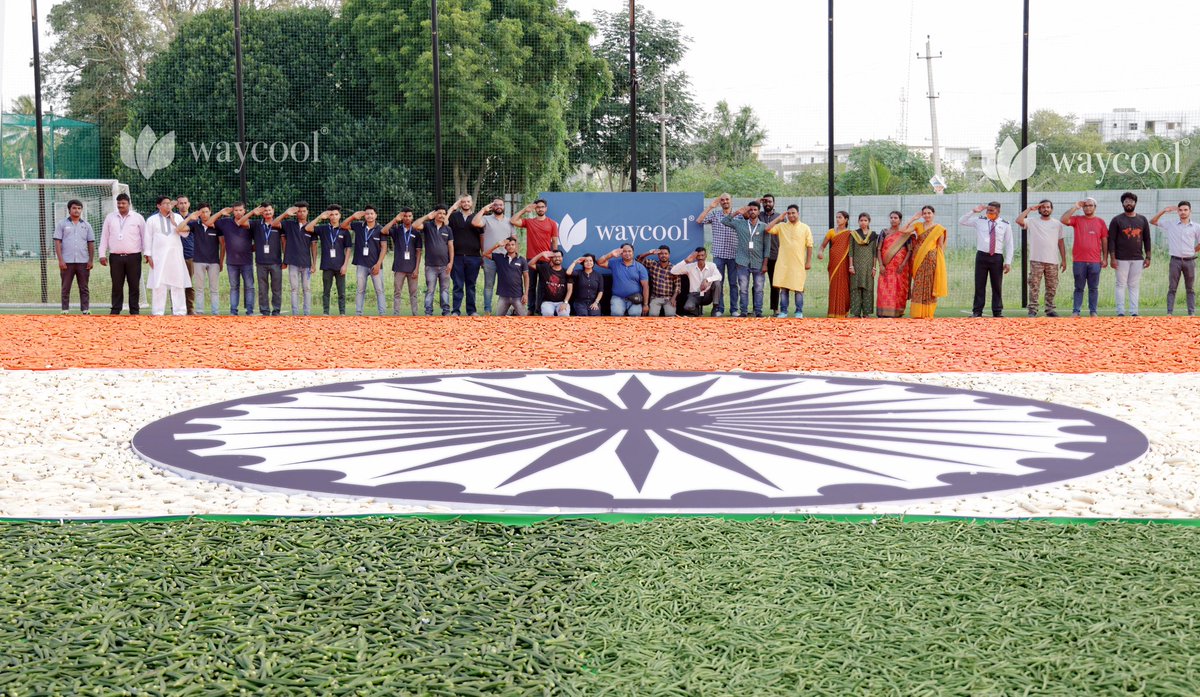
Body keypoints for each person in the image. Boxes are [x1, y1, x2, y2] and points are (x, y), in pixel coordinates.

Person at [961, 202, 1013, 317]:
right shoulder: (980, 220)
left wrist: (1008, 261)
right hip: (982, 256)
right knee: (979, 284)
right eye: (988, 211)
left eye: (992, 211)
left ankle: (997, 311)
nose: (989, 213)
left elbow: (1009, 244)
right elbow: (962, 221)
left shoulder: (1005, 224)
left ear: (998, 211)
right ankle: (977, 311)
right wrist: (973, 211)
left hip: (996, 257)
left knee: (997, 285)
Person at [97, 192, 147, 315]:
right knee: (117, 285)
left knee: (134, 285)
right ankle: (115, 309)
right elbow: (104, 236)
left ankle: (134, 310)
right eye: (119, 203)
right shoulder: (110, 217)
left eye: (123, 203)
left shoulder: (138, 217)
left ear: (129, 204)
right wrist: (102, 254)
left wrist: (147, 252)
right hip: (115, 257)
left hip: (133, 256)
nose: (121, 205)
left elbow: (145, 236)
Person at [1015, 200, 1067, 318]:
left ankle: (1050, 309)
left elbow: (1061, 242)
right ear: (1039, 209)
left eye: (1048, 207)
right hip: (1036, 260)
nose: (1045, 209)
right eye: (1043, 207)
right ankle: (1033, 309)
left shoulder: (1057, 224)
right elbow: (1018, 220)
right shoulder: (1032, 221)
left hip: (1052, 261)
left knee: (1052, 286)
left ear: (1051, 209)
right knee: (1034, 285)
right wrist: (1029, 209)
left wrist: (1064, 260)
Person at [721, 202, 772, 317]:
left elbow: (767, 247)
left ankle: (758, 312)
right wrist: (737, 212)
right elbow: (724, 221)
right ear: (747, 212)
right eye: (750, 210)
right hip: (742, 262)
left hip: (758, 263)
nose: (752, 212)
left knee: (759, 289)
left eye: (755, 209)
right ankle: (743, 312)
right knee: (743, 289)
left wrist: (765, 264)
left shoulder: (764, 226)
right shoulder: (740, 224)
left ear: (759, 211)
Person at [1059, 197, 1108, 317]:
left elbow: (1104, 241)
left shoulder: (1100, 222)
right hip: (1079, 261)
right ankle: (1076, 311)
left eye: (1090, 205)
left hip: (1095, 261)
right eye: (1085, 206)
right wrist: (1075, 207)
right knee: (1079, 287)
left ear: (1095, 207)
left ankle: (1093, 311)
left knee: (1093, 288)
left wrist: (1105, 258)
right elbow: (1063, 219)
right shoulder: (1077, 220)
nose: (1088, 207)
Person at [143, 195, 191, 316]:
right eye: (165, 203)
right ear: (158, 206)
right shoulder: (152, 220)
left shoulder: (178, 217)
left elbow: (185, 235)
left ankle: (180, 311)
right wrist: (148, 255)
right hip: (158, 257)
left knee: (178, 283)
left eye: (170, 203)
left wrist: (175, 222)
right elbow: (147, 238)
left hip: (175, 255)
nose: (168, 205)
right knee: (159, 283)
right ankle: (158, 311)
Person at [1150, 201, 1200, 316]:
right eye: (1180, 210)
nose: (1183, 212)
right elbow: (1153, 221)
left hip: (1190, 261)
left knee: (1190, 288)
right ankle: (1169, 313)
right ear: (1177, 211)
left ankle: (1191, 313)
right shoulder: (1171, 224)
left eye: (1185, 210)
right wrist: (1164, 211)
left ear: (1190, 211)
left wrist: (1193, 250)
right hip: (1175, 261)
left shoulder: (1196, 227)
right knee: (1172, 287)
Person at [763, 205, 813, 318]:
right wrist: (779, 218)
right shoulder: (781, 226)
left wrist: (808, 262)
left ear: (798, 213)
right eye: (789, 213)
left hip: (798, 263)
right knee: (784, 288)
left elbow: (810, 245)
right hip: (783, 264)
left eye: (793, 213)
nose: (791, 215)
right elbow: (767, 229)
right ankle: (784, 311)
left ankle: (799, 311)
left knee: (798, 289)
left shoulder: (805, 228)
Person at [510, 199, 559, 315]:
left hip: (546, 260)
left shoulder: (552, 223)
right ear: (535, 209)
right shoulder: (529, 222)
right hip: (531, 260)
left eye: (542, 207)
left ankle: (540, 309)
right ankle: (531, 309)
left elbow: (555, 242)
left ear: (546, 208)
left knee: (543, 286)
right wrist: (524, 210)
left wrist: (553, 258)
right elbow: (513, 220)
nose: (540, 209)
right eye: (538, 207)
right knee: (531, 286)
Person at [1108, 192, 1152, 317]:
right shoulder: (1117, 220)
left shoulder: (1142, 219)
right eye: (1126, 201)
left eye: (1131, 201)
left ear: (1135, 203)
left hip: (1138, 258)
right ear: (1122, 203)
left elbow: (1147, 239)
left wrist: (1148, 257)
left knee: (1134, 285)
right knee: (1121, 284)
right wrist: (1112, 258)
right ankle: (1120, 311)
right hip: (1121, 258)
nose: (1129, 203)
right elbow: (1111, 240)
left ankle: (1134, 311)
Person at [177, 203, 224, 316]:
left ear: (210, 212)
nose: (204, 214)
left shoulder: (217, 226)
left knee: (214, 289)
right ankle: (199, 312)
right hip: (198, 261)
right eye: (202, 212)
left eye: (207, 211)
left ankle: (215, 312)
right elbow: (179, 228)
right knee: (199, 289)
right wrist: (189, 217)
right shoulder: (194, 224)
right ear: (198, 213)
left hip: (214, 262)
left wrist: (221, 261)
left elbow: (223, 245)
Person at [341, 206, 388, 316]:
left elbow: (384, 248)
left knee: (379, 290)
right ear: (364, 215)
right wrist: (353, 216)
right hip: (361, 264)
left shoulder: (381, 229)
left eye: (371, 213)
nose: (369, 216)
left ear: (376, 215)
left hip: (375, 265)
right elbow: (343, 225)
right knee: (360, 290)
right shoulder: (359, 226)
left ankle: (382, 314)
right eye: (367, 214)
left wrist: (378, 264)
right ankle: (358, 313)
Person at [238, 202, 282, 316]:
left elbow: (284, 242)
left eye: (269, 210)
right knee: (262, 289)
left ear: (273, 211)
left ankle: (276, 310)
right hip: (261, 262)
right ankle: (265, 311)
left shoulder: (278, 225)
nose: (267, 212)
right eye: (265, 211)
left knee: (276, 289)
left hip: (276, 262)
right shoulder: (256, 224)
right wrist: (252, 212)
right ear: (262, 213)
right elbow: (240, 222)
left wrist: (285, 259)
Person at [209, 202, 254, 315]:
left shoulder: (249, 223)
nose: (238, 212)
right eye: (236, 210)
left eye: (240, 210)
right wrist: (220, 212)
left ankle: (250, 311)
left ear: (245, 211)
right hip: (232, 262)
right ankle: (233, 312)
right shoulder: (225, 222)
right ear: (232, 211)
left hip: (247, 261)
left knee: (249, 287)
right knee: (234, 287)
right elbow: (209, 222)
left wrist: (250, 249)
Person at [697, 193, 738, 316]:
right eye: (722, 200)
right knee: (718, 282)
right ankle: (719, 309)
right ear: (720, 202)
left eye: (727, 199)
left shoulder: (738, 216)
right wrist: (710, 207)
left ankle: (734, 309)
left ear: (731, 200)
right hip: (718, 255)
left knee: (733, 283)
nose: (725, 201)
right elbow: (699, 220)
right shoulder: (715, 215)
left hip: (734, 255)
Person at [274, 202, 317, 316]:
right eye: (299, 211)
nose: (301, 213)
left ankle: (307, 313)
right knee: (294, 289)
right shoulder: (289, 225)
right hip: (292, 262)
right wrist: (285, 214)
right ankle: (295, 314)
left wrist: (314, 264)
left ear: (307, 212)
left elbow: (314, 246)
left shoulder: (311, 227)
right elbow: (274, 223)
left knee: (307, 289)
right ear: (295, 213)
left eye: (304, 211)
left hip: (306, 263)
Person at [306, 205, 351, 315]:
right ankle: (326, 312)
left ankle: (342, 313)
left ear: (340, 216)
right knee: (326, 291)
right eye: (331, 214)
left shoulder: (344, 230)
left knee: (341, 292)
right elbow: (308, 228)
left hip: (340, 266)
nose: (334, 217)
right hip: (327, 265)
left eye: (336, 214)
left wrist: (345, 265)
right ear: (328, 216)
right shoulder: (323, 228)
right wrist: (320, 217)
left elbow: (348, 249)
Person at [904, 206, 947, 319]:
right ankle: (917, 313)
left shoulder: (939, 229)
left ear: (933, 214)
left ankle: (928, 312)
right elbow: (902, 231)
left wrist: (940, 264)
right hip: (918, 258)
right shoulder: (918, 225)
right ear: (922, 215)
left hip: (932, 259)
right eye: (924, 213)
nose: (927, 215)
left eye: (929, 213)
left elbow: (941, 248)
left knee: (929, 285)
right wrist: (913, 218)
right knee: (918, 285)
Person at [472, 198, 512, 316]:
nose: (498, 206)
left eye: (501, 204)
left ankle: (504, 310)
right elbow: (474, 222)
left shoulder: (509, 221)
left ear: (504, 206)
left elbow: (514, 239)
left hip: (505, 258)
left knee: (505, 284)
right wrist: (483, 210)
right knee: (489, 285)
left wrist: (514, 256)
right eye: (496, 205)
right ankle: (487, 310)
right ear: (492, 207)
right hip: (489, 258)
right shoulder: (486, 219)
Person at [53, 199, 94, 314]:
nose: (77, 210)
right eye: (74, 208)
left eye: (79, 208)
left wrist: (90, 260)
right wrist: (61, 260)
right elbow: (57, 242)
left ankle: (85, 309)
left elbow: (91, 243)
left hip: (83, 261)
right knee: (65, 287)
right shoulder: (62, 224)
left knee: (84, 287)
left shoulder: (86, 225)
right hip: (67, 261)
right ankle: (65, 309)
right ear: (69, 210)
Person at [446, 195, 482, 316]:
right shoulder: (454, 217)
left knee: (471, 285)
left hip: (474, 257)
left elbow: (482, 237)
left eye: (468, 201)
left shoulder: (476, 218)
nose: (466, 203)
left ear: (471, 203)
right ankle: (456, 310)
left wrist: (482, 255)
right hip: (457, 257)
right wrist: (452, 208)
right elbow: (445, 223)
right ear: (460, 203)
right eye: (463, 202)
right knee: (458, 285)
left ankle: (471, 311)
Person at [415, 205, 455, 316]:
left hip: (444, 266)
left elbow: (451, 247)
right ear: (435, 214)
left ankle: (446, 311)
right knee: (430, 290)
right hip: (430, 266)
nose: (441, 215)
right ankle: (428, 312)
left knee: (445, 290)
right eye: (439, 213)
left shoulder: (448, 229)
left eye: (444, 213)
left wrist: (451, 263)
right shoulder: (428, 226)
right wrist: (427, 217)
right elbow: (415, 225)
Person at [383, 207, 422, 316]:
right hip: (399, 267)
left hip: (412, 268)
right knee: (397, 292)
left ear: (412, 217)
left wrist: (417, 269)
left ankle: (415, 314)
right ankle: (396, 315)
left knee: (413, 293)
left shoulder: (416, 232)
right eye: (405, 216)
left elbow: (419, 252)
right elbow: (384, 231)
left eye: (409, 216)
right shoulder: (397, 229)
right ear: (402, 217)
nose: (407, 218)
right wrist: (395, 219)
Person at [875, 211, 912, 318]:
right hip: (886, 266)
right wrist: (881, 265)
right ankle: (883, 312)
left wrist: (903, 264)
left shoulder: (905, 233)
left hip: (900, 268)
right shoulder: (884, 232)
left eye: (895, 218)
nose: (893, 219)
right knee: (884, 288)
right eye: (891, 217)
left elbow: (909, 250)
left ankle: (897, 312)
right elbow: (878, 248)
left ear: (900, 220)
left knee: (899, 288)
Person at [598, 243, 649, 316]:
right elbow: (599, 262)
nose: (627, 253)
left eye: (629, 251)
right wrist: (611, 254)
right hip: (618, 298)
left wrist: (645, 304)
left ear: (633, 252)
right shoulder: (615, 263)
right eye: (624, 251)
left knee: (635, 314)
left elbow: (645, 287)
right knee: (616, 314)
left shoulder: (640, 267)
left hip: (635, 299)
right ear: (621, 253)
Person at [817, 211, 852, 317]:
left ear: (846, 220)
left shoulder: (850, 233)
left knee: (844, 286)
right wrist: (820, 252)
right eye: (836, 217)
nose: (837, 219)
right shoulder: (831, 232)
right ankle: (832, 312)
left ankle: (843, 311)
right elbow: (823, 246)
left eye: (840, 217)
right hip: (834, 261)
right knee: (833, 286)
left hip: (844, 262)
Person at [483, 236, 529, 316]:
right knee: (499, 319)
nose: (511, 246)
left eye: (513, 244)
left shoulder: (522, 260)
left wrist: (526, 294)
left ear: (516, 246)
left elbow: (526, 277)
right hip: (503, 296)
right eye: (508, 245)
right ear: (505, 247)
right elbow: (485, 254)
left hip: (517, 296)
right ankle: (511, 311)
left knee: (524, 319)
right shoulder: (500, 257)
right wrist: (497, 245)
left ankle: (512, 311)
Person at [671, 247, 723, 317]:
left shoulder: (712, 265)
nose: (700, 258)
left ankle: (715, 307)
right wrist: (686, 261)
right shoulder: (690, 267)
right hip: (694, 295)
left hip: (707, 294)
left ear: (706, 256)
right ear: (695, 257)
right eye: (698, 256)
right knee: (688, 307)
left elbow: (719, 276)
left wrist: (707, 280)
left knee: (717, 283)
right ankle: (697, 313)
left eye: (702, 255)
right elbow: (673, 271)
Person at [638, 245, 681, 317]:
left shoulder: (674, 268)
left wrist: (674, 298)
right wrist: (650, 253)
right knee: (652, 315)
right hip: (655, 297)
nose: (663, 255)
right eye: (661, 253)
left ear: (669, 255)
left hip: (669, 298)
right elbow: (639, 259)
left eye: (665, 253)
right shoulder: (653, 264)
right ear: (658, 255)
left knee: (671, 316)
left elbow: (678, 285)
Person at [849, 213, 878, 318]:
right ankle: (856, 313)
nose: (863, 222)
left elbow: (875, 253)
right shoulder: (854, 234)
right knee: (855, 288)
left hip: (868, 266)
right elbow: (851, 251)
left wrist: (874, 267)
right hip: (856, 266)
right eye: (861, 220)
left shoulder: (873, 235)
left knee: (868, 288)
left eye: (865, 220)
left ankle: (866, 313)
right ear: (858, 221)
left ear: (869, 222)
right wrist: (851, 266)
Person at [528, 248, 572, 316]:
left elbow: (570, 289)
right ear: (551, 258)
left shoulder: (566, 272)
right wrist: (541, 254)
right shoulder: (545, 269)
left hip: (561, 302)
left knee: (564, 314)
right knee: (547, 313)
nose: (557, 258)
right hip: (547, 302)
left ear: (562, 258)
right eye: (555, 257)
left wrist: (565, 302)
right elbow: (530, 264)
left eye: (559, 256)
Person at [175, 196, 196, 315]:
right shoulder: (172, 217)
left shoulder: (194, 218)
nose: (183, 205)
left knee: (189, 283)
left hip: (190, 254)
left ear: (189, 204)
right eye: (180, 203)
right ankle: (176, 307)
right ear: (177, 205)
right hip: (175, 255)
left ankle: (190, 308)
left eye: (185, 203)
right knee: (175, 283)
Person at [760, 194, 781, 314]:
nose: (767, 204)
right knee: (757, 284)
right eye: (765, 202)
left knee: (775, 283)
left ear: (774, 203)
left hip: (775, 254)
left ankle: (775, 309)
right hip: (759, 255)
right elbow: (748, 210)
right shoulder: (758, 215)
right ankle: (757, 309)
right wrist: (758, 201)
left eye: (770, 202)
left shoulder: (780, 217)